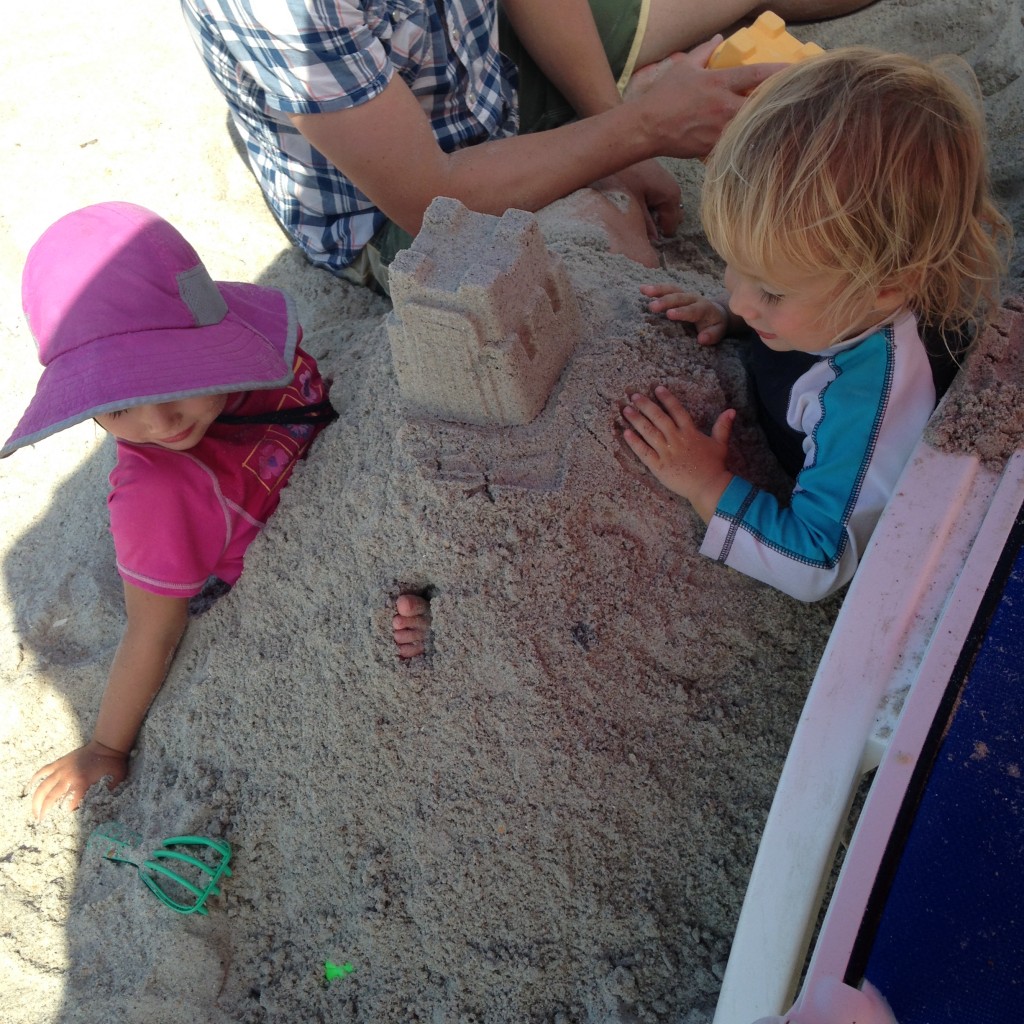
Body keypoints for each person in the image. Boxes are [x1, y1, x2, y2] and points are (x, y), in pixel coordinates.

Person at [2, 202, 427, 820]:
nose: (159, 421)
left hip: (323, 500)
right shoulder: (158, 499)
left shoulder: (257, 361)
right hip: (243, 564)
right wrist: (107, 745)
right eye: (120, 406)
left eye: (176, 381)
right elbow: (154, 627)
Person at [622, 48, 1011, 602]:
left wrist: (709, 484)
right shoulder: (841, 296)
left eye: (772, 291)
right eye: (733, 265)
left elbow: (819, 563)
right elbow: (769, 293)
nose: (742, 297)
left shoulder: (866, 401)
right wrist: (732, 317)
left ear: (887, 286)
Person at [178, 0, 875, 293]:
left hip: (489, 62)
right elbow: (430, 198)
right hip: (389, 202)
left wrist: (615, 126)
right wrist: (639, 130)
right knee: (608, 252)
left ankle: (624, 93)